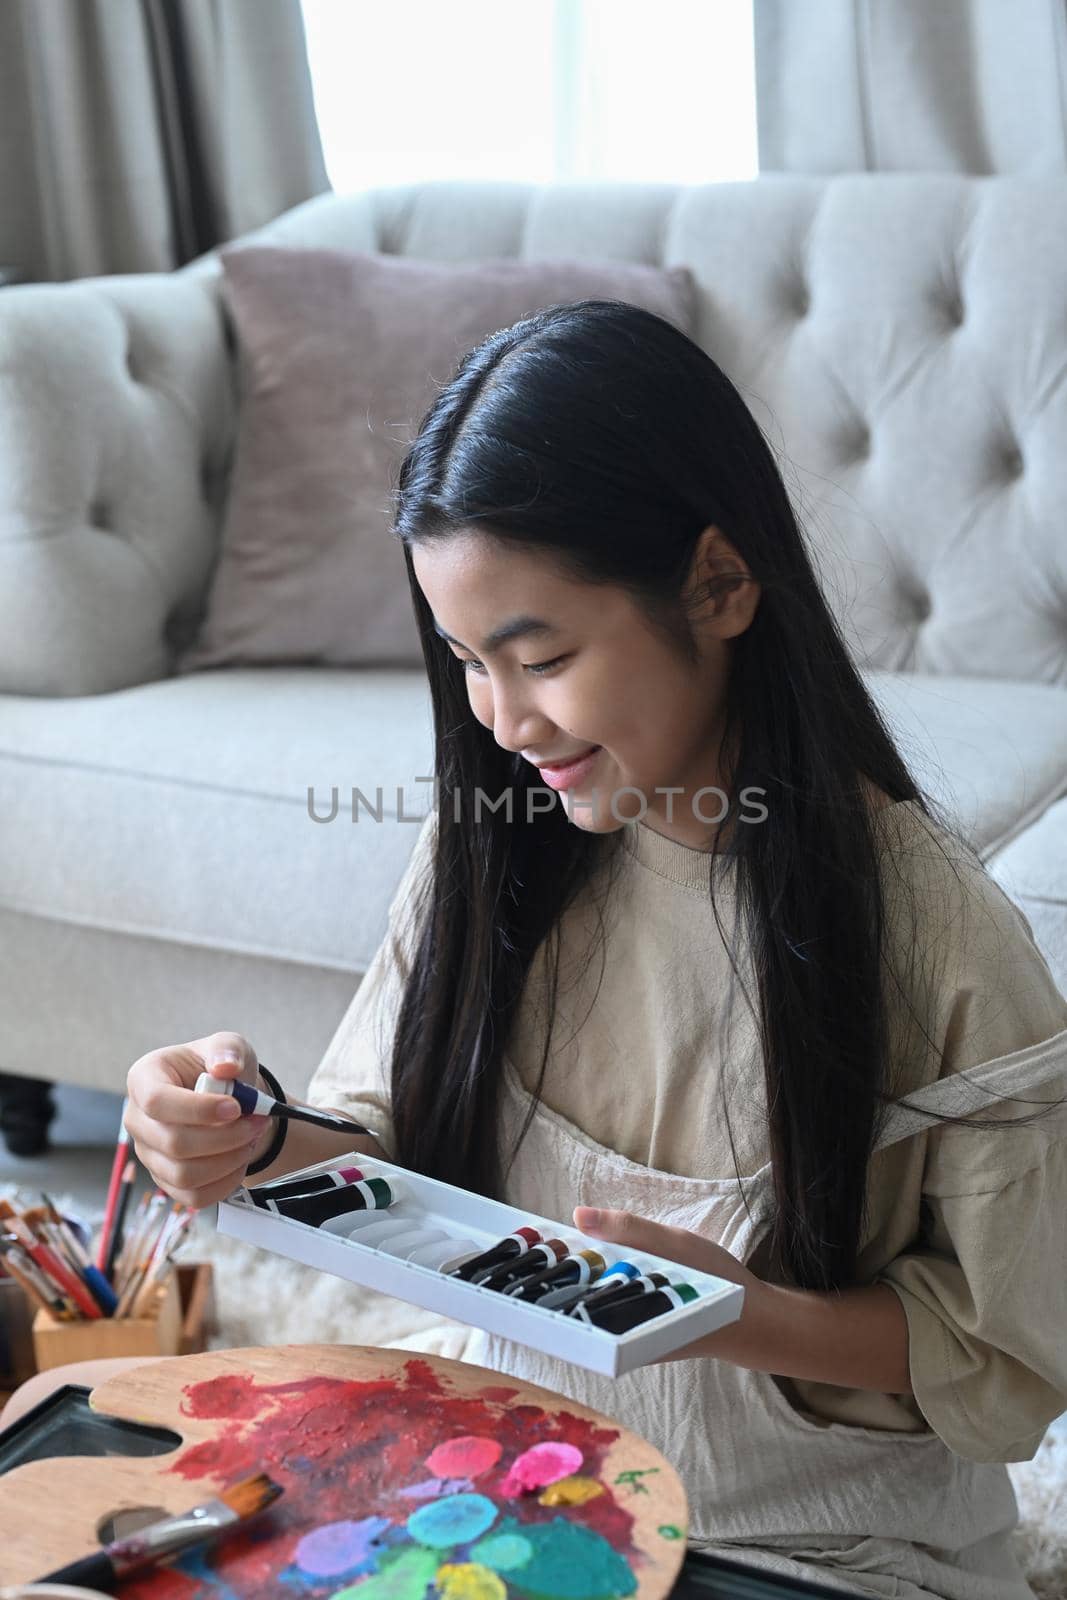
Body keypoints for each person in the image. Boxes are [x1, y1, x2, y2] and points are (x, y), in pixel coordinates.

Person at [9, 302, 1066, 1599]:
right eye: (465, 663)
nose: (503, 721)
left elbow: (1012, 1352)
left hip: (805, 1544)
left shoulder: (933, 931)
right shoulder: (505, 841)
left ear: (721, 586)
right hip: (511, 1500)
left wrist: (738, 1314)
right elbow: (394, 1156)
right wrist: (249, 1131)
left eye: (541, 656)